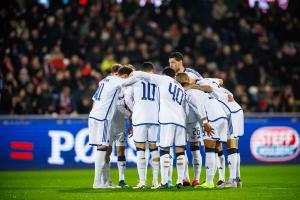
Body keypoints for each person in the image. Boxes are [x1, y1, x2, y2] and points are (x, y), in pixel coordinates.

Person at [89, 66, 138, 189]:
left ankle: (103, 182)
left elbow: (94, 98)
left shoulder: (105, 80)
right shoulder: (117, 80)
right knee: (103, 148)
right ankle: (97, 182)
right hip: (103, 118)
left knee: (102, 148)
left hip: (93, 115)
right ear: (124, 75)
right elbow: (130, 82)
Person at [176, 72, 228, 189]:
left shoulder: (189, 92)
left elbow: (199, 107)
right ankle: (216, 179)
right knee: (215, 150)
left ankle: (209, 182)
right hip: (221, 115)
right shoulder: (200, 89)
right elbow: (217, 95)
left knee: (210, 150)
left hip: (211, 118)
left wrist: (205, 123)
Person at [197, 78, 244, 188]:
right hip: (236, 109)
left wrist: (192, 87)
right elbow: (221, 81)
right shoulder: (212, 81)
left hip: (228, 111)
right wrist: (229, 93)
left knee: (230, 144)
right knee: (234, 145)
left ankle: (232, 180)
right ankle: (237, 179)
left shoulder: (200, 83)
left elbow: (208, 88)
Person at [124, 62, 160, 189]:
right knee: (154, 148)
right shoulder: (157, 81)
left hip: (139, 119)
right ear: (152, 70)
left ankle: (143, 182)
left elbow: (127, 99)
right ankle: (156, 181)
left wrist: (136, 110)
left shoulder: (135, 80)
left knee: (140, 149)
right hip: (155, 118)